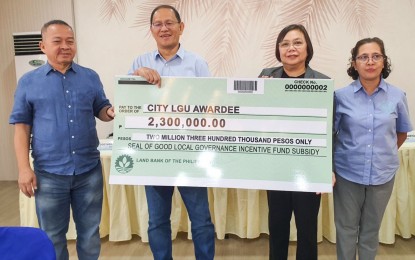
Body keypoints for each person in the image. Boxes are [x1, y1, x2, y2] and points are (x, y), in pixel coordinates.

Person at [9, 20, 115, 260]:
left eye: (70, 41)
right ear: (43, 45)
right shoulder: (28, 82)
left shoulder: (90, 77)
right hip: (48, 175)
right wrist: (24, 169)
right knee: (53, 236)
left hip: (88, 172)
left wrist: (110, 112)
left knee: (89, 233)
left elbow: (101, 108)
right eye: (57, 41)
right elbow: (21, 128)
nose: (65, 46)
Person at [127, 5, 215, 260]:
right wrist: (134, 77)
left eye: (169, 23)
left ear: (181, 27)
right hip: (154, 155)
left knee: (201, 220)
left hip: (190, 154)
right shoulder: (139, 62)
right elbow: (131, 104)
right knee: (157, 221)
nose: (164, 28)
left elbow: (210, 106)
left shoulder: (197, 63)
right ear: (151, 30)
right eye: (158, 24)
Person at [333, 37, 412, 260]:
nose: (370, 61)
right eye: (363, 57)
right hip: (348, 174)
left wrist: (382, 154)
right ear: (354, 63)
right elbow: (332, 134)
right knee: (347, 230)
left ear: (384, 61)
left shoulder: (397, 96)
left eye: (376, 56)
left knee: (370, 231)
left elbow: (401, 132)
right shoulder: (340, 97)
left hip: (382, 175)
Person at [258, 24, 329, 260]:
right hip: (276, 167)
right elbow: (255, 118)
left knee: (307, 230)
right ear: (279, 50)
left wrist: (327, 169)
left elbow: (330, 131)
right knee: (277, 227)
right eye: (285, 44)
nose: (291, 48)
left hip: (308, 170)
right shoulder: (266, 76)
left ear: (307, 48)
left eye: (297, 42)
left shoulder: (322, 82)